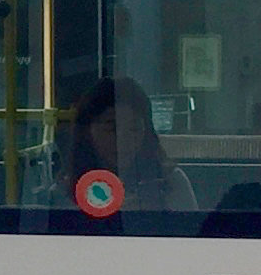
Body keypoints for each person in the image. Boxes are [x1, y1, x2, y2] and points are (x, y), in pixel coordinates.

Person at [66, 75, 196, 214]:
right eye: (112, 128)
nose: (123, 139)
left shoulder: (172, 183)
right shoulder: (64, 190)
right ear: (87, 131)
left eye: (134, 128)